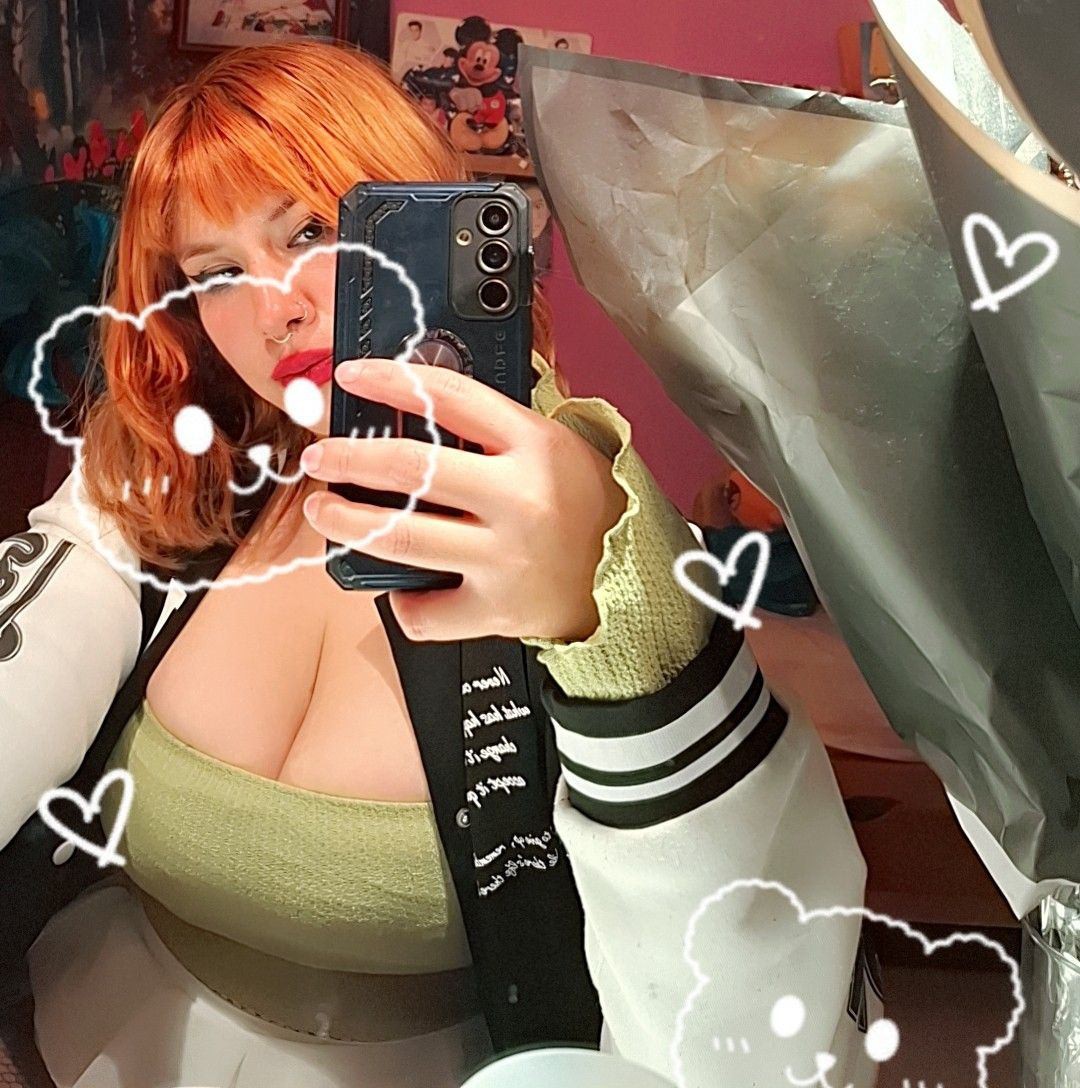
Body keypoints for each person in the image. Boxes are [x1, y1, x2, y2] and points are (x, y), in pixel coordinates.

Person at [0, 41, 874, 1088]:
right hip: (85, 1035)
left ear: (423, 215)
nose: (274, 305)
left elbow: (744, 1021)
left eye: (311, 231)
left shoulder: (589, 533)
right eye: (216, 274)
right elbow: (32, 657)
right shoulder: (176, 490)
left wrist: (620, 628)